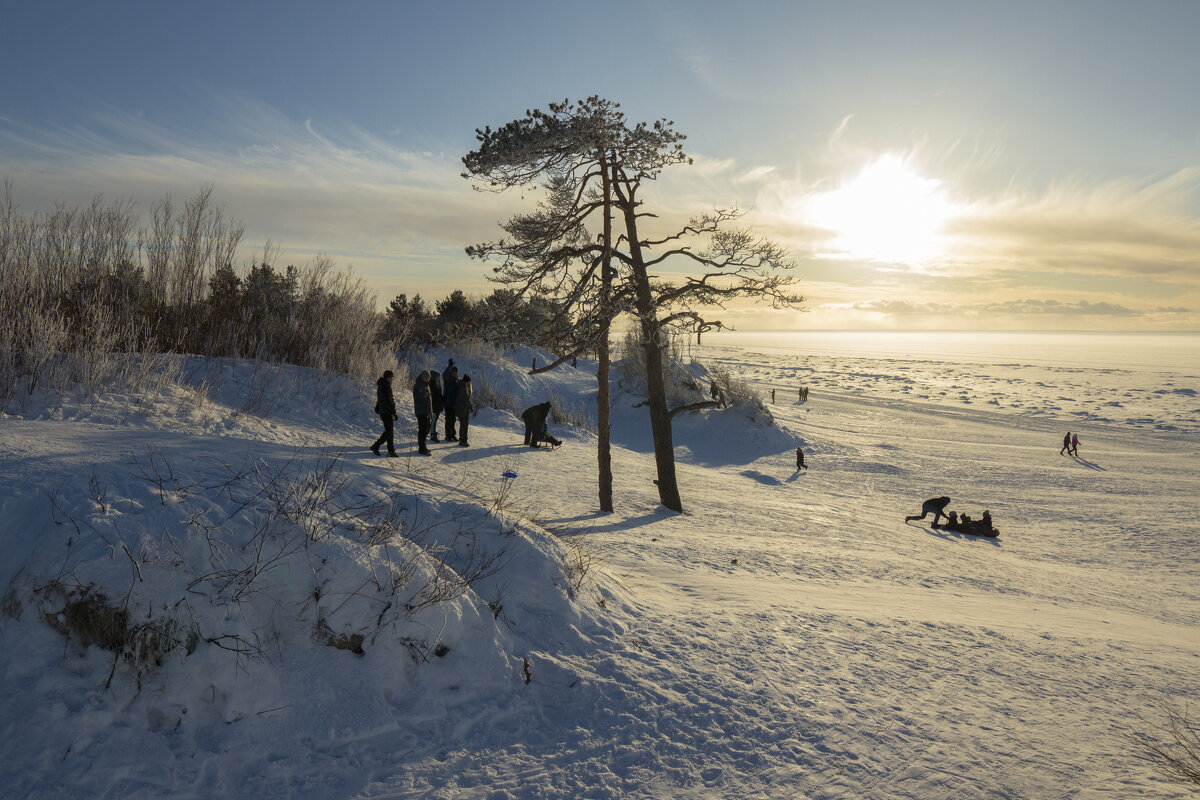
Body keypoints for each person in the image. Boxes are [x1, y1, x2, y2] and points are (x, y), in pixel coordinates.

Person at [370, 370, 398, 457]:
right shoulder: (386, 386)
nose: (392, 379)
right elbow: (388, 401)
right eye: (391, 377)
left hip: (384, 411)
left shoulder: (382, 385)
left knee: (390, 432)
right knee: (389, 432)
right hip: (387, 411)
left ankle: (391, 451)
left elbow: (380, 399)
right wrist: (394, 412)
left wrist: (378, 407)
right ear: (387, 378)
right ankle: (376, 446)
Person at [412, 370, 432, 455]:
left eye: (429, 378)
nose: (428, 379)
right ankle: (422, 448)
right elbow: (416, 396)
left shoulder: (427, 386)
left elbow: (429, 400)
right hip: (421, 411)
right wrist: (423, 395)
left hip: (426, 411)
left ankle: (423, 446)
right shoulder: (417, 385)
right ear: (423, 377)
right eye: (426, 378)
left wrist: (430, 412)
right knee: (423, 430)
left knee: (427, 429)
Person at [442, 365, 459, 441]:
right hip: (448, 403)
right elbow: (444, 375)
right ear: (451, 372)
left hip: (454, 404)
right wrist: (449, 367)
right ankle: (448, 436)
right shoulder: (448, 379)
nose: (455, 373)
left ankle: (453, 435)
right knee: (448, 420)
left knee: (453, 421)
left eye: (456, 372)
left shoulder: (457, 381)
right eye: (454, 372)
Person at [455, 374, 474, 446]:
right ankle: (463, 440)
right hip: (462, 410)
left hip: (465, 410)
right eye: (468, 382)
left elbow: (467, 400)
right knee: (463, 425)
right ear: (465, 381)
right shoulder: (462, 388)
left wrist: (471, 408)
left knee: (464, 425)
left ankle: (463, 439)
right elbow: (459, 400)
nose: (469, 383)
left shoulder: (466, 387)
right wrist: (463, 408)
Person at [428, 370, 443, 442]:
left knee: (434, 421)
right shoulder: (431, 385)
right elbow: (433, 396)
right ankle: (433, 435)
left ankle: (433, 433)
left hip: (438, 405)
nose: (439, 378)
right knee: (433, 421)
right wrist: (440, 398)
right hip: (434, 406)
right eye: (438, 377)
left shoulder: (437, 384)